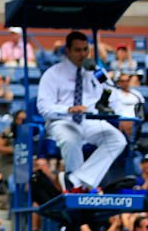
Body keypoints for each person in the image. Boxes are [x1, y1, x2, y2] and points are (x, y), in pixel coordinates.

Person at [37, 31, 127, 193]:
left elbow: (113, 94)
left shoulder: (96, 71)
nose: (83, 54)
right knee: (71, 139)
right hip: (62, 121)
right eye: (78, 50)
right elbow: (44, 107)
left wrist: (123, 116)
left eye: (85, 49)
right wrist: (68, 109)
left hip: (89, 120)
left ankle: (76, 181)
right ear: (68, 51)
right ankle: (80, 188)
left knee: (117, 140)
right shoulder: (53, 74)